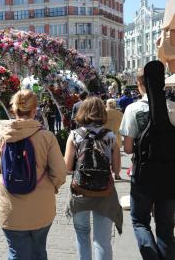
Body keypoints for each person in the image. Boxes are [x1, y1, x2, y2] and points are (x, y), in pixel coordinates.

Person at [0, 89, 66, 260]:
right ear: (34, 110)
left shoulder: (0, 137)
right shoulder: (46, 137)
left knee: (17, 252)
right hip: (41, 206)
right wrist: (53, 187)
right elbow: (59, 172)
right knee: (39, 252)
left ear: (14, 109)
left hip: (11, 208)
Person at [119, 68, 175, 260]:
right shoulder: (172, 107)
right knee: (166, 227)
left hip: (144, 175)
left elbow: (127, 148)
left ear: (140, 84)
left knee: (140, 221)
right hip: (169, 173)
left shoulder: (133, 109)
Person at [64, 97, 122, 260]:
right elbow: (116, 169)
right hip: (105, 192)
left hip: (80, 191)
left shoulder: (75, 135)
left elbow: (67, 167)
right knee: (102, 240)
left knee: (82, 235)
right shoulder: (110, 136)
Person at [104, 99, 123, 180]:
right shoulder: (120, 113)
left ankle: (107, 174)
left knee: (105, 156)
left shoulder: (103, 113)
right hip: (116, 136)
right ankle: (117, 174)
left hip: (104, 137)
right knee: (117, 156)